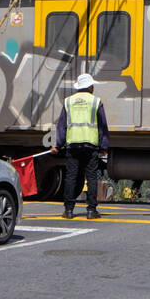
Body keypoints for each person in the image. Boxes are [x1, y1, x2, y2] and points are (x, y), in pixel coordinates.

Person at [51, 73, 110, 219]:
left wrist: (58, 145)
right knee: (91, 177)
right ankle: (91, 210)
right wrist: (104, 147)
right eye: (92, 85)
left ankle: (69, 210)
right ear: (90, 86)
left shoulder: (68, 101)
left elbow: (62, 126)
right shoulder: (96, 101)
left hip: (73, 145)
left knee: (71, 176)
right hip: (90, 146)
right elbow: (103, 126)